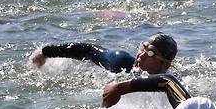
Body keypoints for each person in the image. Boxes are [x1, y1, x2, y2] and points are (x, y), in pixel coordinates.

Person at [30, 31, 178, 76]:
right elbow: (88, 50)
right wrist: (46, 52)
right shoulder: (121, 63)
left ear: (164, 64)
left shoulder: (170, 81)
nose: (141, 55)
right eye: (142, 47)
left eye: (150, 53)